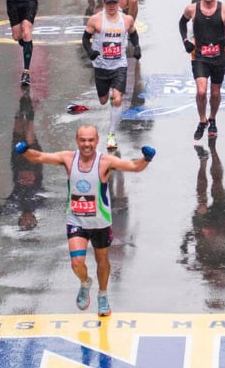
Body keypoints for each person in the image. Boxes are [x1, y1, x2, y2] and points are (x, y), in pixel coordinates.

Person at [14, 126, 156, 317]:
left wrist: (146, 158)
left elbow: (134, 167)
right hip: (77, 221)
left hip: (100, 223)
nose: (87, 144)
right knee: (76, 263)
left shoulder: (105, 161)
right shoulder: (68, 158)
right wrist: (24, 151)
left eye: (90, 140)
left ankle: (103, 295)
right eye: (83, 140)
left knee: (102, 261)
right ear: (77, 140)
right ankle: (85, 282)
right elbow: (39, 157)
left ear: (97, 141)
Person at [180, 0, 225, 142]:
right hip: (199, 56)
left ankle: (212, 118)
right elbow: (181, 23)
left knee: (215, 93)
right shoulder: (192, 9)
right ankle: (202, 120)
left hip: (219, 58)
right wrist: (186, 41)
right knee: (201, 91)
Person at [81, 0, 141, 151]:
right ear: (104, 4)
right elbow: (85, 39)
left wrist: (137, 47)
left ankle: (111, 135)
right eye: (109, 4)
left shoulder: (126, 20)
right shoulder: (96, 20)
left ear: (118, 4)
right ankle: (111, 99)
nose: (112, 6)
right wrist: (90, 52)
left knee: (117, 99)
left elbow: (134, 34)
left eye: (114, 3)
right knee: (103, 100)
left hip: (119, 65)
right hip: (101, 66)